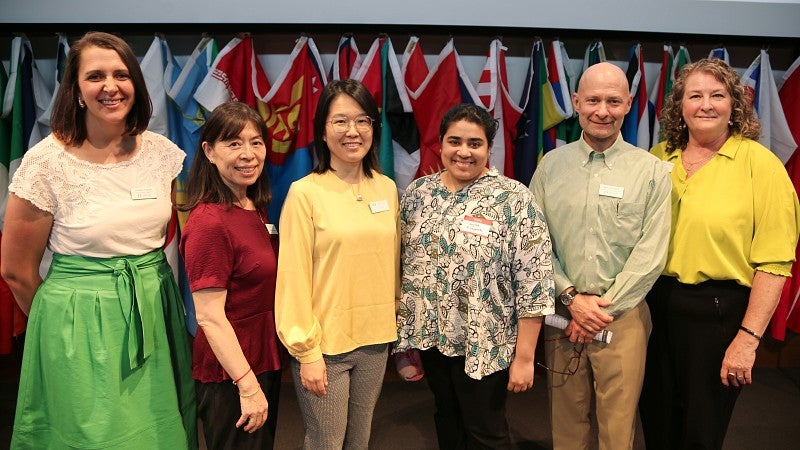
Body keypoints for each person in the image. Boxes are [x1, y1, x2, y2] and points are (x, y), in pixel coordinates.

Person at [0, 32, 196, 449]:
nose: (111, 86)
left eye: (121, 74)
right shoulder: (45, 163)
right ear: (76, 90)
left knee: (156, 430)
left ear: (136, 85)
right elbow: (15, 271)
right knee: (89, 436)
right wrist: (60, 326)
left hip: (153, 309)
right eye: (96, 76)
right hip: (79, 324)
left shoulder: (161, 153)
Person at [639, 58, 800, 450]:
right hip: (652, 308)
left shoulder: (760, 165)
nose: (706, 104)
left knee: (700, 432)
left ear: (735, 105)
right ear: (680, 106)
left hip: (717, 314)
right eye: (695, 95)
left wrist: (747, 340)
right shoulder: (659, 156)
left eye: (717, 95)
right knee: (656, 424)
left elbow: (776, 263)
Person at [396, 103, 555, 450]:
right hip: (433, 338)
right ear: (440, 143)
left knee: (485, 431)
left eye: (475, 143)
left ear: (488, 148)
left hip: (486, 342)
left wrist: (525, 358)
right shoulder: (418, 195)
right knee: (446, 419)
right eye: (455, 141)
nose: (464, 152)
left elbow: (534, 283)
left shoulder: (514, 200)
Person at [529, 62, 671, 450]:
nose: (602, 111)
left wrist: (597, 314)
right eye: (593, 100)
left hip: (623, 318)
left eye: (613, 101)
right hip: (562, 316)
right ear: (576, 102)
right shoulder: (550, 167)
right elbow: (535, 243)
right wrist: (573, 301)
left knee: (618, 428)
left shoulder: (653, 172)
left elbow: (651, 254)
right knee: (566, 424)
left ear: (628, 104)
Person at [274, 79, 398, 449]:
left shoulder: (387, 188)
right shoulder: (304, 193)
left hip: (376, 340)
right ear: (322, 131)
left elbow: (391, 266)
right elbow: (292, 277)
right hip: (325, 346)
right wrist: (306, 351)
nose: (352, 131)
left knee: (359, 440)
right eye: (340, 121)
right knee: (326, 442)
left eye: (362, 120)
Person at [179, 101, 284, 449]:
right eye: (234, 143)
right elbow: (209, 316)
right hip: (231, 372)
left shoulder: (251, 204)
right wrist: (247, 384)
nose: (249, 154)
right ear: (209, 151)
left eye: (256, 142)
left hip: (261, 355)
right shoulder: (209, 222)